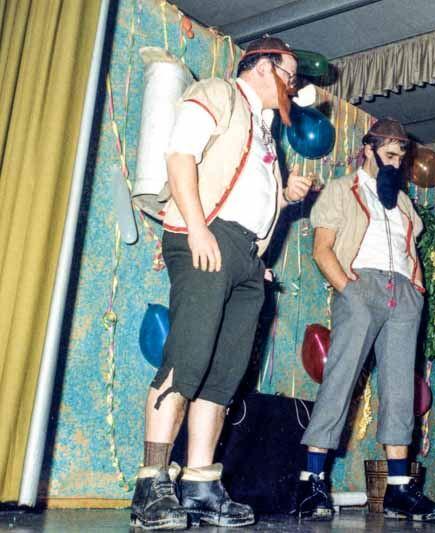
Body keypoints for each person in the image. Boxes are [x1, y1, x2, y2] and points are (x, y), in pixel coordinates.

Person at [130, 36, 313, 530]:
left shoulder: (265, 131)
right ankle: (151, 484)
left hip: (248, 257)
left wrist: (283, 199)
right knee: (187, 360)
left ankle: (199, 485)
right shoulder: (217, 92)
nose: (293, 86)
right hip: (208, 235)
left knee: (223, 376)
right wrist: (196, 227)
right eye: (290, 75)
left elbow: (248, 192)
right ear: (263, 67)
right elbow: (180, 157)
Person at [294, 119, 435, 522]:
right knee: (340, 380)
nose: (396, 164)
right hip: (361, 287)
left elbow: (410, 250)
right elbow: (322, 249)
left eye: (401, 157)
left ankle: (398, 489)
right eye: (389, 155)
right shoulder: (342, 189)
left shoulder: (404, 203)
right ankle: (311, 481)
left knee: (400, 390)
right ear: (368, 149)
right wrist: (349, 290)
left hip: (404, 295)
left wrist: (416, 288)